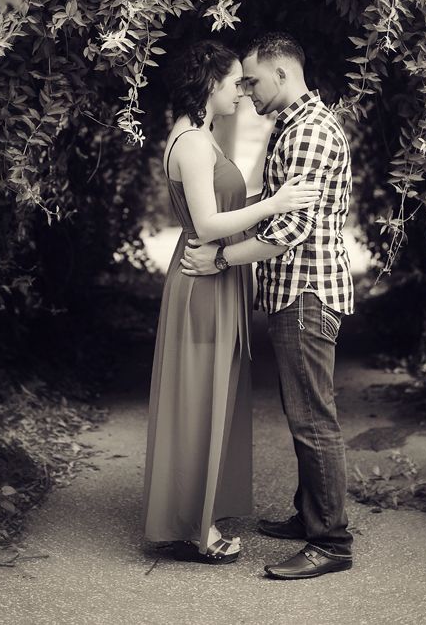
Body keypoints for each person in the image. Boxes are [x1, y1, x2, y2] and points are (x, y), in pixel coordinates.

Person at [181, 32, 355, 579]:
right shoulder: (294, 126)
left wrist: (221, 259)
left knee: (312, 420)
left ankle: (331, 542)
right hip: (295, 291)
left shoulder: (309, 133)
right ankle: (311, 518)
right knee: (304, 411)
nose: (247, 91)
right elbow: (268, 205)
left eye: (252, 79)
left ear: (283, 73)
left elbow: (288, 230)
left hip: (306, 292)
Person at [141, 38, 320, 565]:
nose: (241, 92)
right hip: (202, 276)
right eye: (233, 83)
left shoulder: (199, 136)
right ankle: (197, 531)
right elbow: (209, 224)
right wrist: (277, 201)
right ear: (209, 85)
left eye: (245, 83)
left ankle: (194, 518)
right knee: (199, 401)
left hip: (213, 274)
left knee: (207, 398)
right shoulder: (193, 144)